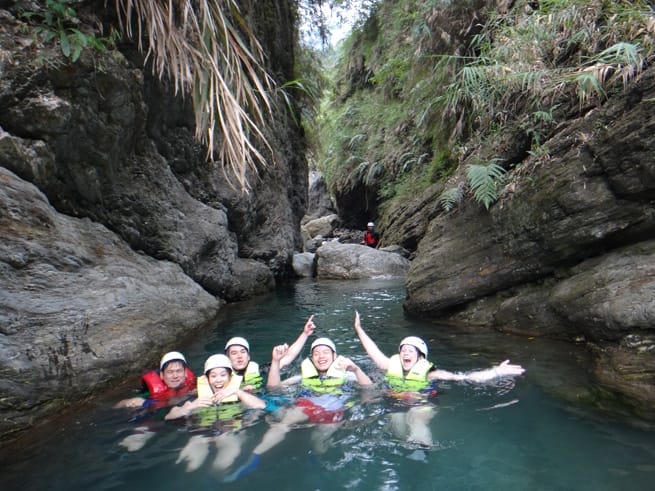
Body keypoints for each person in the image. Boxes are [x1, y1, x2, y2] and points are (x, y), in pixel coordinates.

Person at [353, 311, 525, 446]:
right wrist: (358, 328)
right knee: (397, 425)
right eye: (403, 350)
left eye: (410, 351)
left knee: (416, 420)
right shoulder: (390, 365)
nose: (405, 352)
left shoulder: (430, 373)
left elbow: (465, 377)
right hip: (395, 401)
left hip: (421, 402)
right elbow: (372, 349)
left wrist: (497, 371)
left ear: (421, 357)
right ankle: (404, 446)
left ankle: (420, 448)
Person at [223, 337, 372, 482]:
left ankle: (315, 460)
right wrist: (275, 361)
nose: (321, 356)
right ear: (312, 358)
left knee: (322, 435)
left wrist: (357, 370)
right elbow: (274, 388)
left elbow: (370, 389)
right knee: (283, 422)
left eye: (325, 352)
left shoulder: (348, 375)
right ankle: (254, 457)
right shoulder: (301, 378)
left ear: (334, 356)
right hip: (307, 405)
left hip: (334, 409)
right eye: (316, 353)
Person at [166, 354, 268, 473]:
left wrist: (238, 392)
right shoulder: (196, 396)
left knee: (221, 466)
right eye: (213, 376)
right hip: (201, 433)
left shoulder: (240, 392)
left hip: (229, 431)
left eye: (223, 375)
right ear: (207, 378)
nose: (218, 379)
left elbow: (262, 406)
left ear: (230, 377)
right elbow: (169, 416)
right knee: (191, 467)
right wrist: (191, 406)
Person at [115, 351, 196, 451]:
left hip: (175, 416)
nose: (175, 376)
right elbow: (117, 406)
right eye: (170, 372)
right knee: (134, 445)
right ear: (162, 375)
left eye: (179, 371)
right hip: (153, 415)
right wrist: (128, 402)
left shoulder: (193, 386)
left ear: (185, 373)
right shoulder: (151, 392)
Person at [224, 314, 317, 392]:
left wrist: (305, 334)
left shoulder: (259, 370)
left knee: (292, 381)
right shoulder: (219, 377)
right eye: (234, 353)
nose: (239, 356)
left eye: (243, 352)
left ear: (248, 357)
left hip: (263, 400)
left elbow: (287, 357)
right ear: (227, 358)